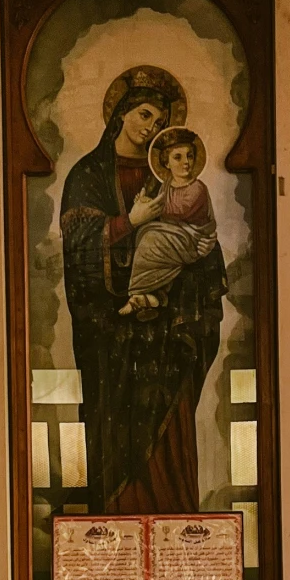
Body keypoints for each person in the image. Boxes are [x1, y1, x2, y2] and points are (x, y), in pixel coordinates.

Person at [58, 67, 225, 513]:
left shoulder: (171, 175)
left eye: (159, 120)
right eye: (144, 114)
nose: (151, 127)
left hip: (169, 335)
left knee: (170, 432)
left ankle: (176, 530)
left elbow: (200, 241)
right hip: (112, 339)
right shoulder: (88, 175)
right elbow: (76, 246)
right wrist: (130, 222)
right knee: (117, 433)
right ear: (120, 113)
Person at [119, 126, 218, 318]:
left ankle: (138, 294)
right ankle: (149, 295)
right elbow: (163, 214)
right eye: (178, 157)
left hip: (192, 239)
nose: (186, 162)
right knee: (144, 233)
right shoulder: (166, 185)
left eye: (189, 156)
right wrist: (145, 204)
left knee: (150, 237)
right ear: (166, 162)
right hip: (173, 235)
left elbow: (179, 212)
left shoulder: (197, 188)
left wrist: (149, 206)